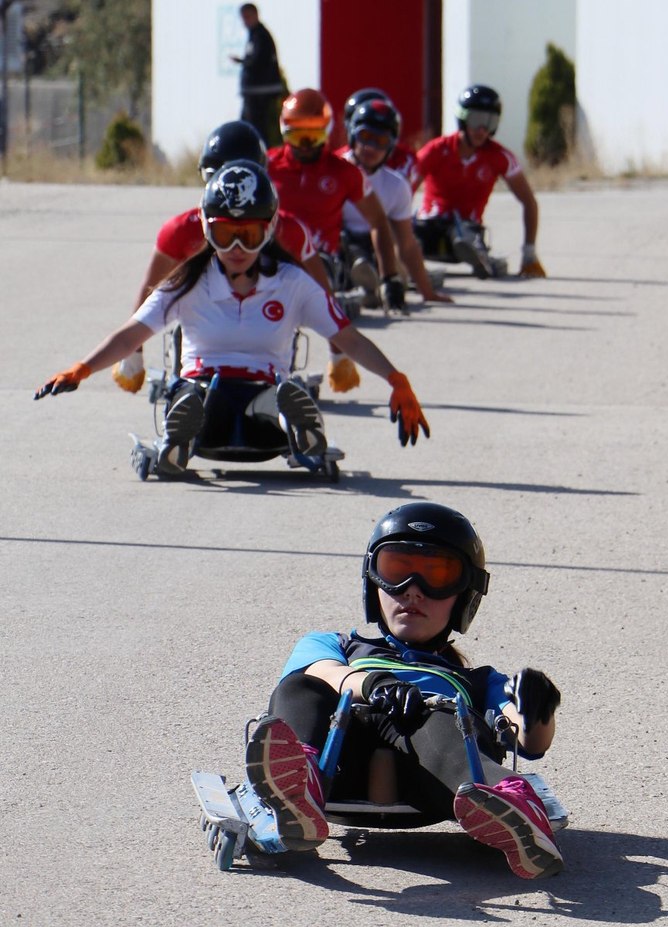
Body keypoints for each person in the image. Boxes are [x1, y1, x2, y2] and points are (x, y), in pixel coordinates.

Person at [34, 162, 430, 475]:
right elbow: (131, 334)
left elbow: (349, 338)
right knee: (196, 396)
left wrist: (396, 379)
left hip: (264, 393)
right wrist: (82, 368)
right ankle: (183, 434)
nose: (238, 248)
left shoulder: (292, 283)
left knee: (277, 399)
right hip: (205, 388)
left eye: (250, 235)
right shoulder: (188, 281)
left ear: (270, 229)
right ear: (207, 230)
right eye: (226, 235)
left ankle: (295, 427)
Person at [242, 501, 564, 879]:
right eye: (396, 570)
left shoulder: (477, 680)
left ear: (465, 593)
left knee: (446, 721)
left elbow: (530, 740)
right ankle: (298, 787)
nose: (413, 591)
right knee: (301, 685)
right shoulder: (337, 646)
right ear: (372, 579)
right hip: (339, 761)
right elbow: (323, 672)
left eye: (437, 574)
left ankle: (509, 805)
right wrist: (374, 684)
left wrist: (536, 712)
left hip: (434, 777)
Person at [112, 120, 361, 398]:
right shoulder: (183, 230)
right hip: (207, 339)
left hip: (264, 335)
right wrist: (338, 355)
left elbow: (319, 294)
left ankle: (228, 397)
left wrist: (133, 357)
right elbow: (152, 295)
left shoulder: (287, 229)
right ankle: (201, 397)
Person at [267, 88, 407, 314]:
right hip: (272, 257)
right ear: (284, 131)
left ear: (327, 131)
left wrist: (390, 278)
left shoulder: (345, 173)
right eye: (297, 135)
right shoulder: (266, 166)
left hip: (323, 264)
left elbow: (378, 221)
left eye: (314, 136)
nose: (305, 144)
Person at [414, 85, 547, 279]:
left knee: (464, 235)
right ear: (463, 118)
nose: (482, 130)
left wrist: (529, 252)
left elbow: (529, 202)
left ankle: (476, 255)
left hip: (467, 228)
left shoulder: (500, 157)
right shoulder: (435, 150)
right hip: (430, 227)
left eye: (490, 122)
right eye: (476, 120)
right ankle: (402, 263)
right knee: (412, 232)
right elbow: (402, 191)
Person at [339, 99, 452, 306]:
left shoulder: (396, 185)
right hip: (338, 243)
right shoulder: (333, 171)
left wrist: (427, 293)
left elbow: (407, 244)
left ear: (391, 146)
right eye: (365, 137)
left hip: (379, 250)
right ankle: (361, 281)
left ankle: (375, 282)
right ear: (353, 136)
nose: (371, 147)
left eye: (380, 141)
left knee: (389, 238)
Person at [342, 87, 422, 192]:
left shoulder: (404, 158)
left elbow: (399, 196)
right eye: (366, 134)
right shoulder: (339, 159)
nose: (371, 146)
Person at [229, 4, 285, 147]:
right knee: (247, 127)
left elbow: (258, 61)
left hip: (260, 95)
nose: (245, 22)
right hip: (253, 94)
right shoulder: (254, 36)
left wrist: (243, 61)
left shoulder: (261, 36)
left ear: (255, 15)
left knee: (257, 130)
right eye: (243, 18)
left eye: (247, 17)